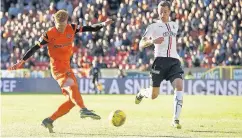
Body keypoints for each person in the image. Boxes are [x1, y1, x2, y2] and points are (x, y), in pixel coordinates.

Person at [8, 10, 113, 133]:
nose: (62, 29)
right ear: (54, 22)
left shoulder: (72, 28)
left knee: (72, 101)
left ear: (67, 22)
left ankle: (49, 120)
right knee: (72, 86)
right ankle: (83, 109)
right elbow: (34, 48)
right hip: (57, 69)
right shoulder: (49, 34)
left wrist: (104, 23)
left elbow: (91, 28)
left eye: (63, 26)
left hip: (67, 67)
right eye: (59, 26)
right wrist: (22, 61)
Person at [134, 1, 184, 129]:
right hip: (160, 62)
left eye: (165, 11)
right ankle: (142, 93)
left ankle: (175, 119)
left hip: (174, 61)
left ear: (169, 11)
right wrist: (152, 41)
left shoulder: (175, 25)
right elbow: (141, 44)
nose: (162, 14)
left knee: (179, 86)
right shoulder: (153, 27)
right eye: (160, 11)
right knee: (153, 95)